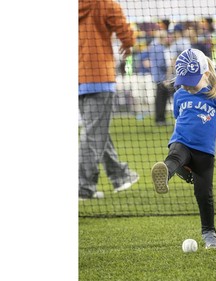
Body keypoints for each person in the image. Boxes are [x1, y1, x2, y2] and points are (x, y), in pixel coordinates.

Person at [151, 48, 216, 249]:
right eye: (184, 82)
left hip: (205, 153)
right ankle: (165, 175)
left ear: (206, 74)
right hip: (181, 141)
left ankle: (210, 234)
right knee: (175, 155)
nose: (187, 87)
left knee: (204, 195)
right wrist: (177, 137)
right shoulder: (180, 94)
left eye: (191, 82)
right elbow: (178, 119)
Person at [79, 0, 139, 199]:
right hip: (99, 77)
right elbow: (125, 32)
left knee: (96, 130)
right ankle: (83, 187)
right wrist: (128, 45)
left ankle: (119, 176)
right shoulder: (105, 3)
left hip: (78, 78)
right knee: (92, 133)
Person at [148, 29, 174, 125]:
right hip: (162, 77)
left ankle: (160, 119)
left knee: (160, 98)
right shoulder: (159, 48)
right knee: (161, 98)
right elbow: (161, 63)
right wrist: (170, 67)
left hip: (157, 76)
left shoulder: (153, 46)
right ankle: (160, 119)